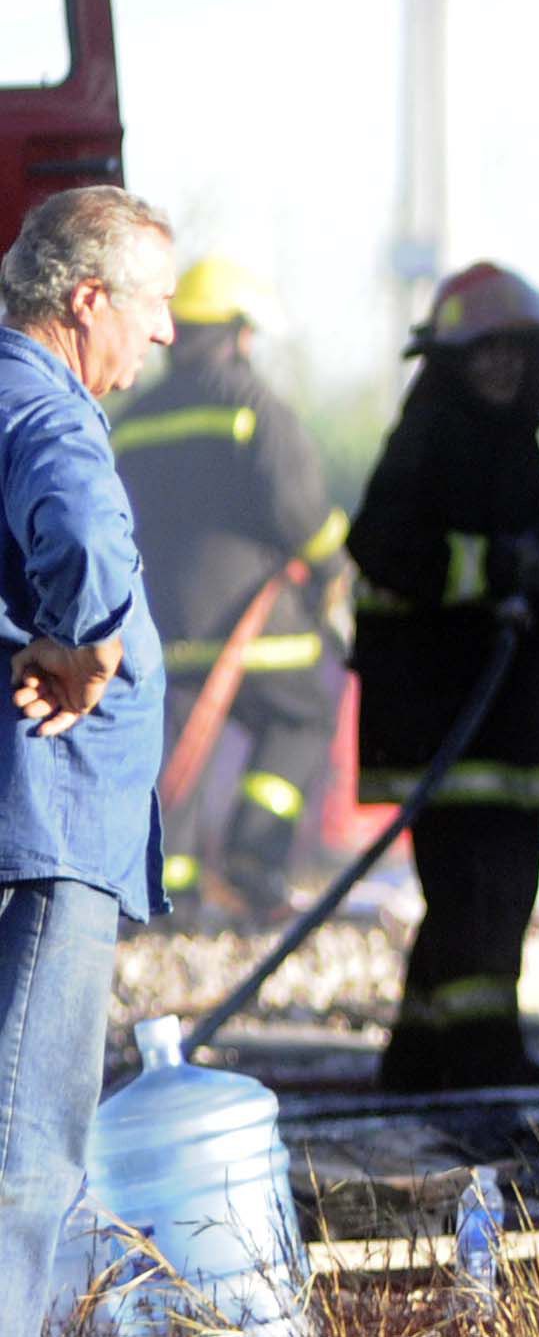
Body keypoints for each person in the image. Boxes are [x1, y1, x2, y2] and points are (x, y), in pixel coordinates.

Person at [347, 262, 539, 1091]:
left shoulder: (513, 444)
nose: (503, 369)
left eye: (517, 354)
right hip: (445, 709)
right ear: (451, 359)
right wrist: (496, 569)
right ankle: (482, 1056)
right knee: (478, 886)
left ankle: (422, 1053)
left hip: (496, 707)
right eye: (486, 354)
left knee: (488, 886)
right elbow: (380, 546)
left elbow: (531, 572)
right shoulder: (431, 435)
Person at [0, 187, 171, 1337]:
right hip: (55, 822)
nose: (165, 332)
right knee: (28, 1140)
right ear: (88, 297)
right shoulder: (49, 416)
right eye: (153, 303)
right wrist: (90, 645)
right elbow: (86, 534)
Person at [108, 256, 341, 920]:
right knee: (300, 716)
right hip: (255, 628)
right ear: (239, 332)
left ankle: (168, 896)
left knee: (179, 752)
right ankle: (253, 856)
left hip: (164, 625)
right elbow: (301, 513)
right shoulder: (255, 408)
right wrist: (330, 567)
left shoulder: (134, 418)